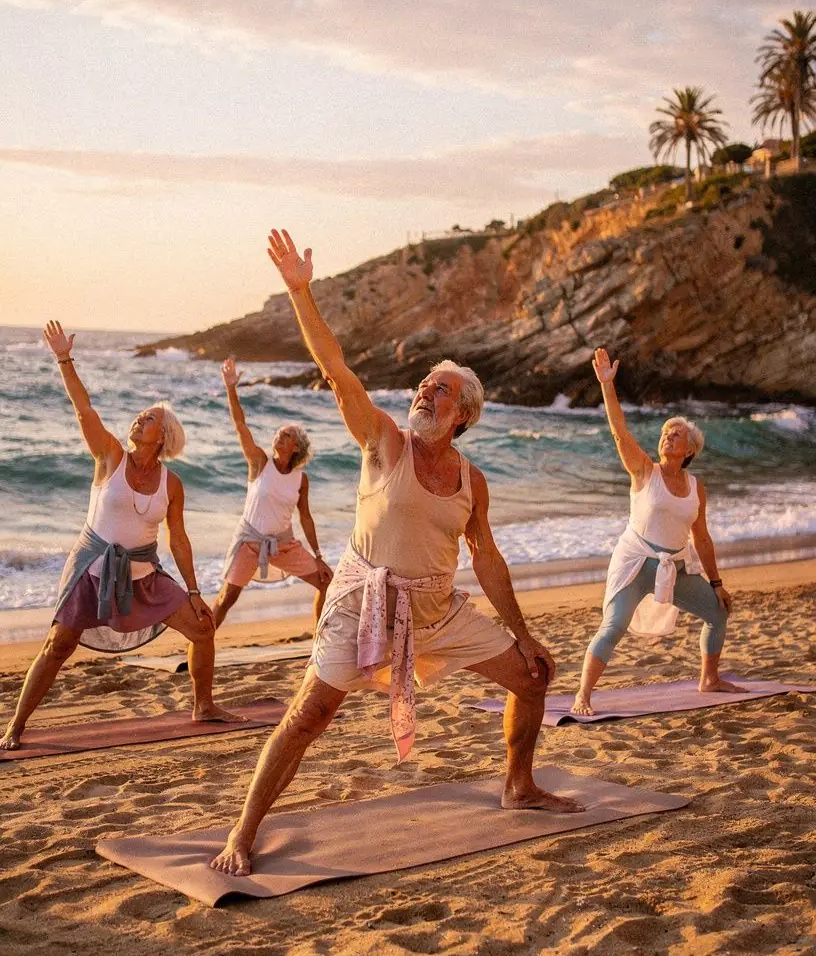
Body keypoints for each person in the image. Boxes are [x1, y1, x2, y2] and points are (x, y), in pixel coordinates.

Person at [211, 229, 583, 878]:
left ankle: (518, 785)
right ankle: (243, 832)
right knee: (309, 716)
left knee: (533, 678)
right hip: (362, 605)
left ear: (463, 413)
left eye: (438, 390)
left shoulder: (472, 480)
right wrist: (302, 291)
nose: (423, 394)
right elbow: (338, 370)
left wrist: (523, 634)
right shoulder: (384, 443)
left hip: (437, 610)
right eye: (421, 386)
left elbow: (487, 559)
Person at [0, 321, 236, 750]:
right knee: (58, 645)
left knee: (203, 629)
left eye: (149, 417)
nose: (138, 417)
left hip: (144, 570)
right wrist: (63, 359)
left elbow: (178, 540)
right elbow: (84, 410)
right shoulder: (109, 456)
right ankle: (15, 726)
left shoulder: (172, 483)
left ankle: (204, 705)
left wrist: (196, 590)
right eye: (141, 414)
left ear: (161, 437)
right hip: (91, 567)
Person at [571, 346, 739, 717]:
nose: (668, 437)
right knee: (614, 626)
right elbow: (618, 431)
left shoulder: (696, 487)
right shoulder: (644, 471)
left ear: (689, 449)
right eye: (666, 432)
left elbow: (702, 538)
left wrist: (716, 583)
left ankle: (709, 679)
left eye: (676, 435)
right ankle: (583, 694)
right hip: (635, 563)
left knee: (717, 612)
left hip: (674, 568)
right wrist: (606, 387)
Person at [213, 358, 333, 633]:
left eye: (287, 435)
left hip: (285, 544)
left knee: (328, 582)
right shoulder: (259, 462)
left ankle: (318, 642)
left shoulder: (300, 479)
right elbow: (240, 424)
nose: (280, 435)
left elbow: (306, 517)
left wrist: (317, 555)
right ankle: (199, 645)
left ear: (296, 448)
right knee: (226, 598)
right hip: (249, 542)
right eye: (280, 432)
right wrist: (231, 387)